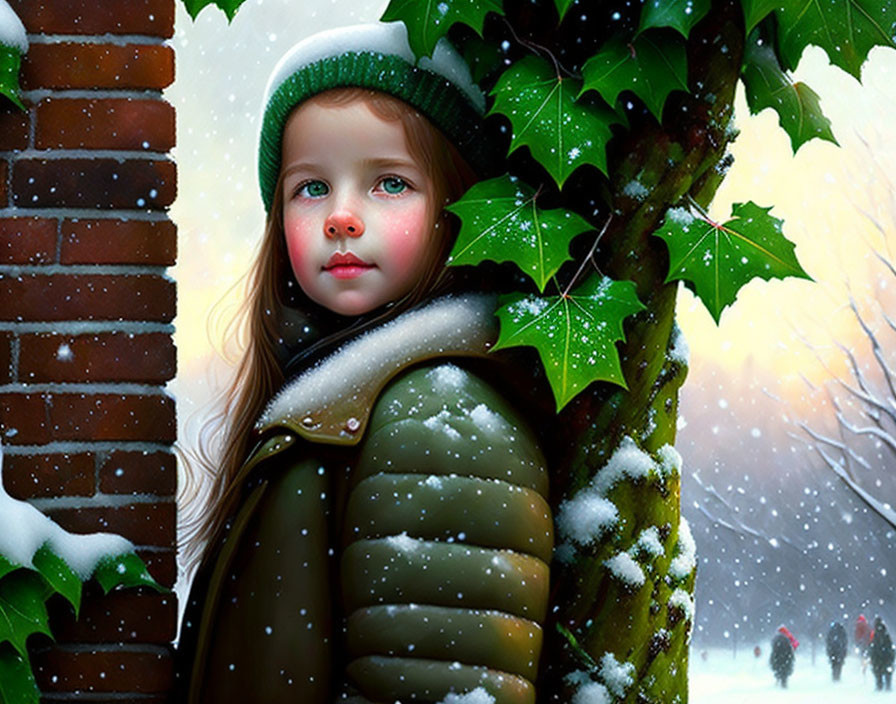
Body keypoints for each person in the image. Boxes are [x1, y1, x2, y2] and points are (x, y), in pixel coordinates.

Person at [174, 22, 554, 704]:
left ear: (459, 208)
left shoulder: (438, 415)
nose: (341, 218)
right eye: (311, 189)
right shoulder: (340, 400)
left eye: (389, 183)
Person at [869, 616, 894, 691]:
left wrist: (873, 658)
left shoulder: (875, 635)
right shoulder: (886, 634)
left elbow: (873, 648)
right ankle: (888, 691)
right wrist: (891, 658)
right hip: (887, 659)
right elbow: (890, 647)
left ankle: (879, 693)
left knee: (878, 677)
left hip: (878, 660)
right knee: (887, 676)